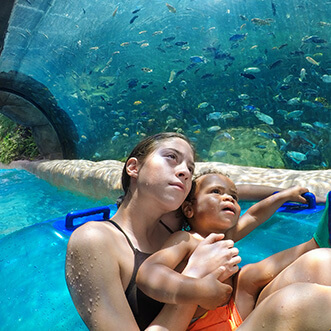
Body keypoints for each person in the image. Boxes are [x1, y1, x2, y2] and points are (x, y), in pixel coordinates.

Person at [65, 132, 331, 331]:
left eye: (190, 169)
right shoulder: (96, 239)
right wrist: (195, 274)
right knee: (294, 302)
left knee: (318, 262)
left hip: (229, 316)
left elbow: (223, 192)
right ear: (133, 167)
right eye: (171, 158)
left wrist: (282, 193)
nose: (183, 171)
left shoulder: (175, 223)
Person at [137, 170, 331, 330]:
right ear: (189, 209)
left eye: (234, 196)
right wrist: (197, 289)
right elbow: (149, 271)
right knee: (248, 276)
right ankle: (316, 243)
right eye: (216, 192)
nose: (228, 197)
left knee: (248, 275)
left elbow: (254, 215)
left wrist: (283, 196)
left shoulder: (225, 237)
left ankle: (315, 244)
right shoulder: (185, 239)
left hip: (234, 314)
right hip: (200, 325)